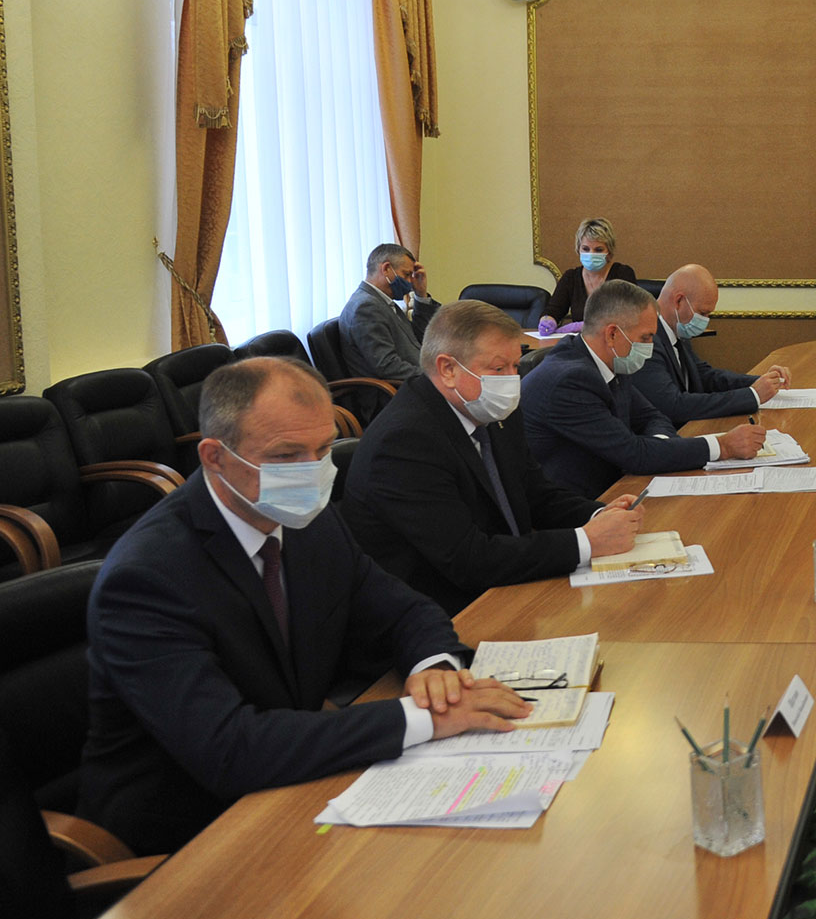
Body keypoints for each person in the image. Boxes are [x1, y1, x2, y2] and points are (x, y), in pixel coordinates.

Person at [79, 357, 531, 856]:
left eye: (322, 450)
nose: (312, 473)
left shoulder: (309, 522)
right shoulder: (147, 578)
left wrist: (435, 668)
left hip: (300, 779)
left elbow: (403, 610)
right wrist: (427, 720)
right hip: (189, 830)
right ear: (215, 457)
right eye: (286, 455)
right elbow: (230, 749)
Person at [343, 300, 647, 615]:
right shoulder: (404, 442)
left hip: (507, 586)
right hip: (444, 613)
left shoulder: (490, 410)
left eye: (516, 366)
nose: (512, 380)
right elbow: (467, 559)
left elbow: (537, 494)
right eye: (499, 369)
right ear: (448, 369)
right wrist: (586, 542)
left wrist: (599, 516)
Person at [521, 280, 766, 497]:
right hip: (577, 507)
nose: (649, 346)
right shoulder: (571, 380)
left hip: (615, 487)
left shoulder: (612, 360)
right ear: (612, 334)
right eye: (646, 338)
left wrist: (660, 447)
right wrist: (723, 446)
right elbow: (634, 455)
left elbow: (652, 416)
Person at [635, 263, 792, 428]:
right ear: (679, 301)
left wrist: (762, 381)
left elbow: (705, 376)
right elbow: (674, 405)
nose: (705, 320)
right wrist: (752, 395)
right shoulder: (646, 340)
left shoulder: (677, 329)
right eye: (702, 313)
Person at [339, 242, 440, 382]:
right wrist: (434, 378)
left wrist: (421, 295)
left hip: (414, 378)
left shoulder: (381, 301)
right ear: (386, 269)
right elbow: (387, 366)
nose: (410, 282)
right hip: (395, 389)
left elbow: (420, 338)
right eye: (406, 274)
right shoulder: (366, 307)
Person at [539, 216, 638, 335]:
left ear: (609, 252)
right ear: (578, 249)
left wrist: (582, 326)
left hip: (615, 340)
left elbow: (630, 315)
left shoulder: (622, 274)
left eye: (598, 250)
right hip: (580, 342)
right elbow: (553, 310)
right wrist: (547, 320)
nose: (591, 254)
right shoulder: (571, 277)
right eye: (585, 249)